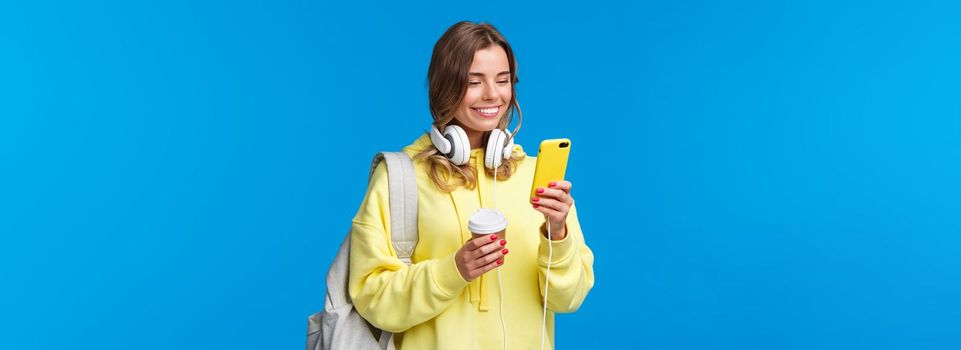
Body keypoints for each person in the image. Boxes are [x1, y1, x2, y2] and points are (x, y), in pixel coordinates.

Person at [348, 21, 595, 350]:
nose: (492, 94)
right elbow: (373, 298)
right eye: (473, 82)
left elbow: (569, 299)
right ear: (445, 88)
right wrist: (452, 272)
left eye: (503, 80)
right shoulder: (400, 177)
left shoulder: (536, 177)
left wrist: (557, 234)